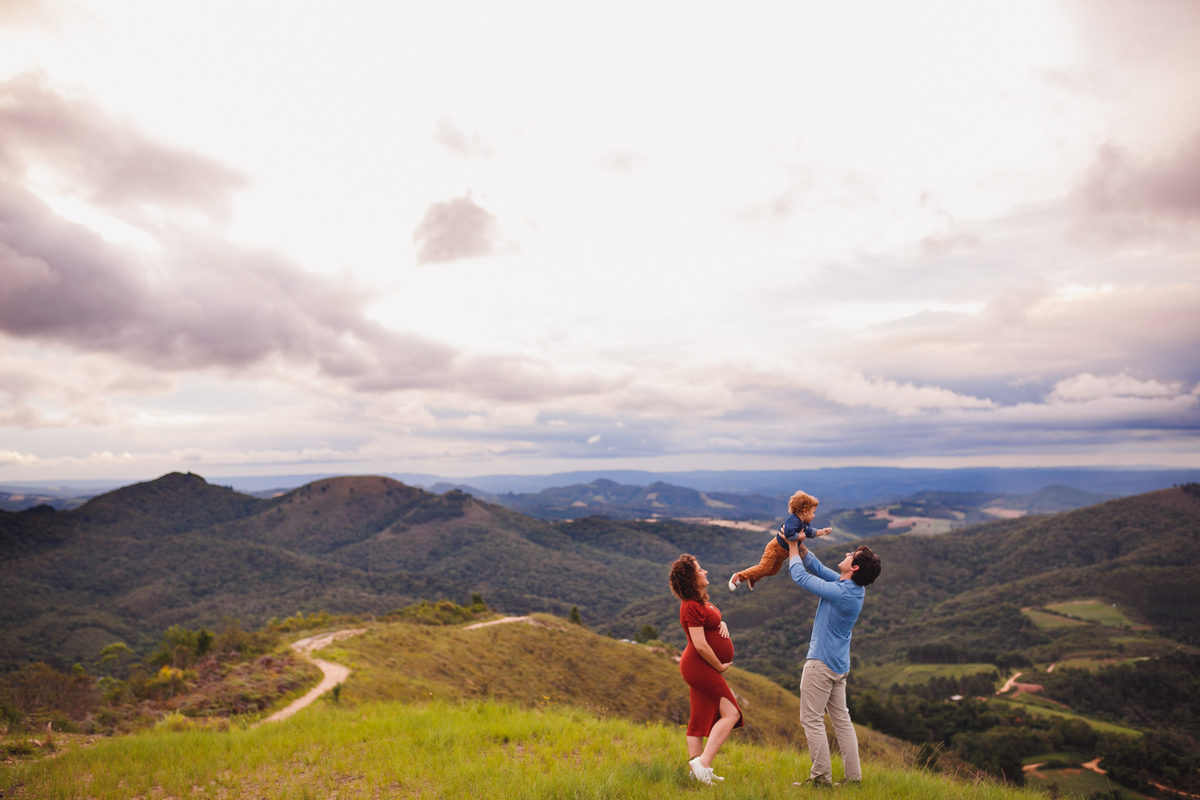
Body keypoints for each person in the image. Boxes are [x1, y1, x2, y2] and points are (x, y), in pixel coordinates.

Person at [786, 537, 881, 787]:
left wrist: (792, 549)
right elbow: (818, 569)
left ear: (855, 567)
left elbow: (802, 578)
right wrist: (802, 548)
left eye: (852, 554)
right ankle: (853, 779)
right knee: (842, 721)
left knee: (811, 719)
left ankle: (820, 779)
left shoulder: (841, 593)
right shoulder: (853, 589)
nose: (847, 553)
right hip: (839, 666)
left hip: (821, 664)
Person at [669, 553, 743, 785]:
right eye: (700, 570)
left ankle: (696, 774)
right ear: (691, 578)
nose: (705, 572)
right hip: (699, 666)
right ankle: (702, 764)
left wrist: (721, 623)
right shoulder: (690, 605)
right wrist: (719, 665)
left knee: (699, 717)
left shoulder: (699, 601)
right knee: (732, 713)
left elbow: (710, 622)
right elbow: (700, 644)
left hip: (699, 665)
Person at [728, 491, 831, 592]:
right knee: (763, 567)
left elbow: (810, 532)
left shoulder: (803, 524)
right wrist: (799, 537)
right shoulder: (793, 521)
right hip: (774, 549)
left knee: (773, 571)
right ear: (805, 511)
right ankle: (739, 576)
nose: (814, 516)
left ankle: (754, 578)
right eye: (813, 512)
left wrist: (822, 532)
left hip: (782, 554)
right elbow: (789, 534)